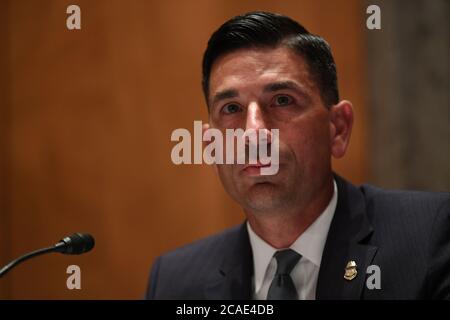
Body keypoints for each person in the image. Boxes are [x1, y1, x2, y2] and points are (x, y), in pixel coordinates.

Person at [145, 11, 450, 299]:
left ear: (338, 129)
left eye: (282, 100)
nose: (253, 133)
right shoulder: (174, 282)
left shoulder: (430, 238)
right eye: (232, 109)